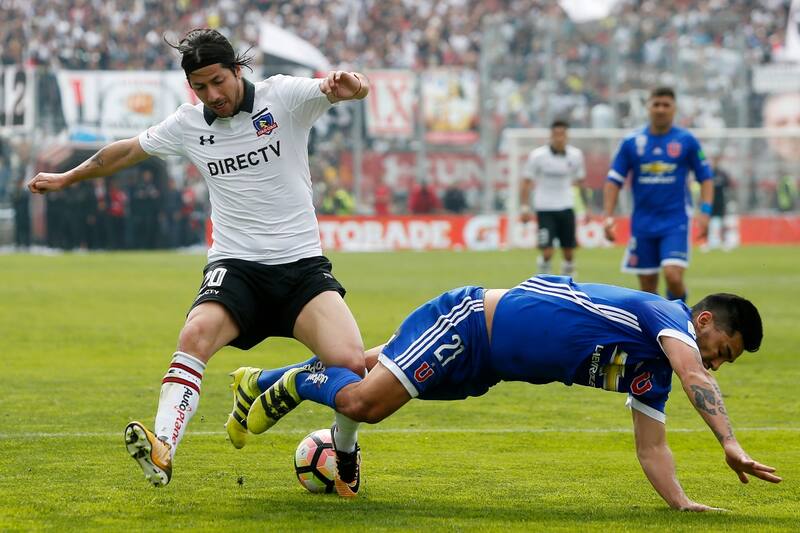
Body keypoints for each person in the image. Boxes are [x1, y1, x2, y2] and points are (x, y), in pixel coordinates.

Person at [26, 28, 370, 487]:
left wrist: (352, 85)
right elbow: (124, 152)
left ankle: (339, 447)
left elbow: (352, 88)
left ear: (237, 70)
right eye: (200, 87)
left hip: (300, 267)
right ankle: (163, 448)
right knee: (195, 334)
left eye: (218, 82)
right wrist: (66, 177)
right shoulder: (189, 124)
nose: (212, 95)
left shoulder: (283, 97)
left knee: (353, 367)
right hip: (236, 266)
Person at [236, 274, 781, 505]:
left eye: (724, 361)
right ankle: (296, 383)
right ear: (703, 321)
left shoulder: (652, 374)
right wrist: (729, 442)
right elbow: (696, 375)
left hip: (485, 369)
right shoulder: (667, 317)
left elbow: (652, 447)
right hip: (469, 322)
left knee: (357, 367)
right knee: (365, 402)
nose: (716, 362)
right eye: (722, 349)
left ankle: (258, 382)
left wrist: (681, 503)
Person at [603, 87, 713, 302]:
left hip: (675, 220)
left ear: (674, 109)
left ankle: (680, 316)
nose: (661, 109)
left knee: (673, 276)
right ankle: (657, 324)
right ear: (648, 107)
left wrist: (706, 211)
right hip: (643, 222)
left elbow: (706, 177)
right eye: (656, 104)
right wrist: (608, 216)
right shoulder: (631, 142)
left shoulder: (686, 140)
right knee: (647, 287)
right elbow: (614, 180)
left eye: (666, 105)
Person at [521, 119, 588, 276]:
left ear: (567, 136)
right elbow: (526, 182)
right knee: (547, 252)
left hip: (566, 206)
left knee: (569, 253)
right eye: (556, 134)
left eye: (562, 134)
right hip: (545, 207)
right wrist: (524, 207)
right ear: (551, 135)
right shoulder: (538, 156)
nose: (559, 138)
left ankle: (569, 284)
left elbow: (580, 183)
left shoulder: (576, 155)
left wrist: (586, 208)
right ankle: (543, 279)